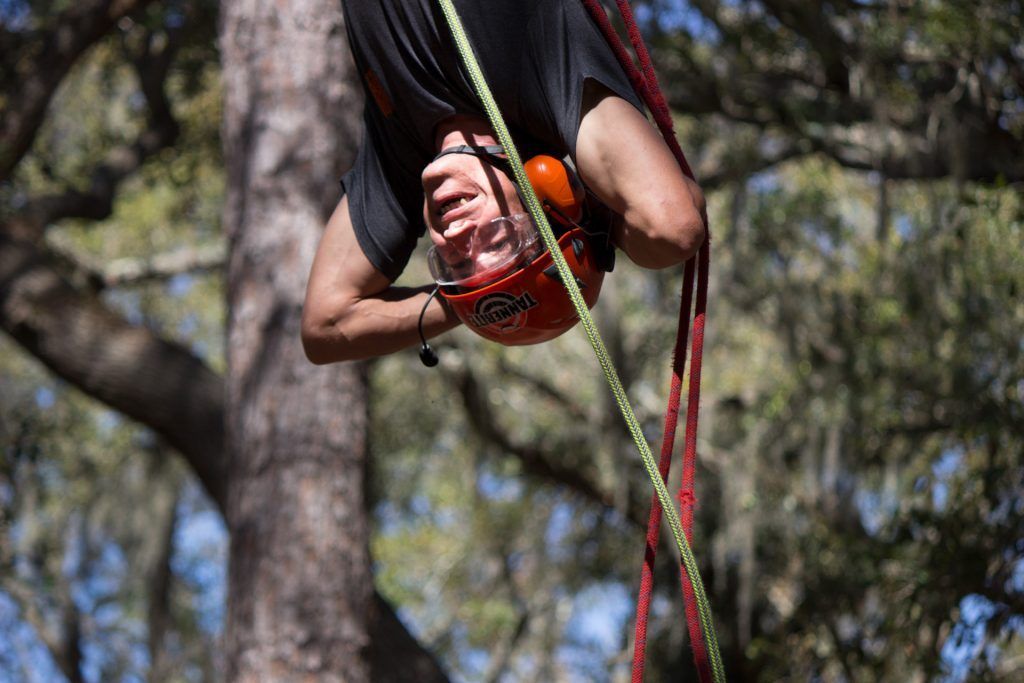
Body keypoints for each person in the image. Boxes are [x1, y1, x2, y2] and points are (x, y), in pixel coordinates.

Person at [302, 0, 706, 364]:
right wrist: (576, 235)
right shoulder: (544, 87)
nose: (457, 236)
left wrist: (478, 297)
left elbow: (328, 327)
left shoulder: (400, 163)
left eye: (457, 264)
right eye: (496, 241)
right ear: (543, 197)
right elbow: (672, 226)